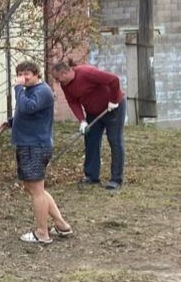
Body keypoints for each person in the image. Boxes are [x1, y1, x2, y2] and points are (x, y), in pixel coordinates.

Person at [7, 61, 73, 245]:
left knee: (36, 191)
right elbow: (27, 113)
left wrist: (18, 88)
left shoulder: (42, 91)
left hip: (35, 146)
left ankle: (42, 233)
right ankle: (61, 225)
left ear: (37, 74)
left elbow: (28, 107)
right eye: (20, 73)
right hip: (26, 144)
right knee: (34, 188)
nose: (23, 77)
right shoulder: (29, 91)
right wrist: (11, 122)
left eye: (27, 73)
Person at [50, 60, 125, 191]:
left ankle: (116, 179)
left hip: (113, 109)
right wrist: (82, 120)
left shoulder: (87, 73)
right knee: (91, 140)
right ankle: (92, 176)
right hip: (93, 112)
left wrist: (113, 100)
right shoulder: (65, 84)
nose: (58, 82)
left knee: (115, 141)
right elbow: (73, 102)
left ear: (65, 72)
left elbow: (114, 80)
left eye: (58, 78)